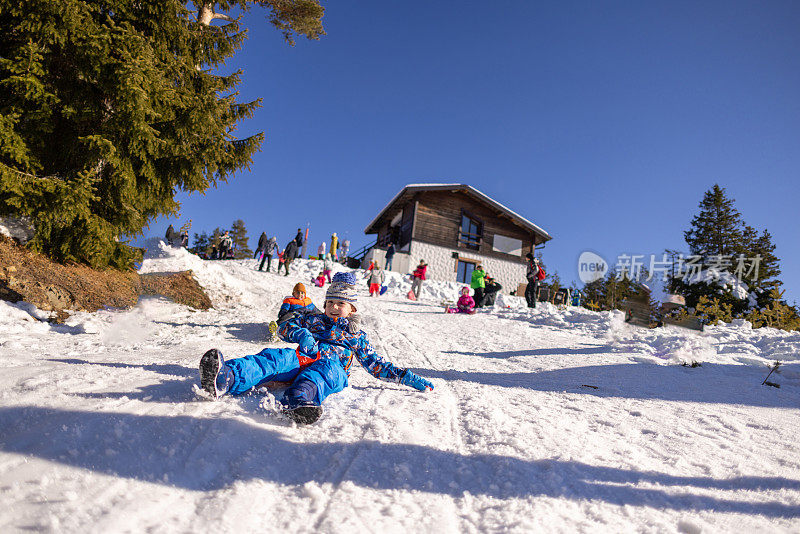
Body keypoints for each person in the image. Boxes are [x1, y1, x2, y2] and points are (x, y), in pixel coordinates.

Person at [198, 272, 434, 424]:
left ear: (352, 308)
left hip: (332, 367)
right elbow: (283, 327)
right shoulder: (314, 320)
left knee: (322, 373)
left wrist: (406, 377)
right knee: (275, 358)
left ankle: (300, 401)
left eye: (341, 303)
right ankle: (225, 377)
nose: (333, 307)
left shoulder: (356, 336)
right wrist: (300, 333)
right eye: (330, 302)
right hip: (303, 356)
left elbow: (376, 365)